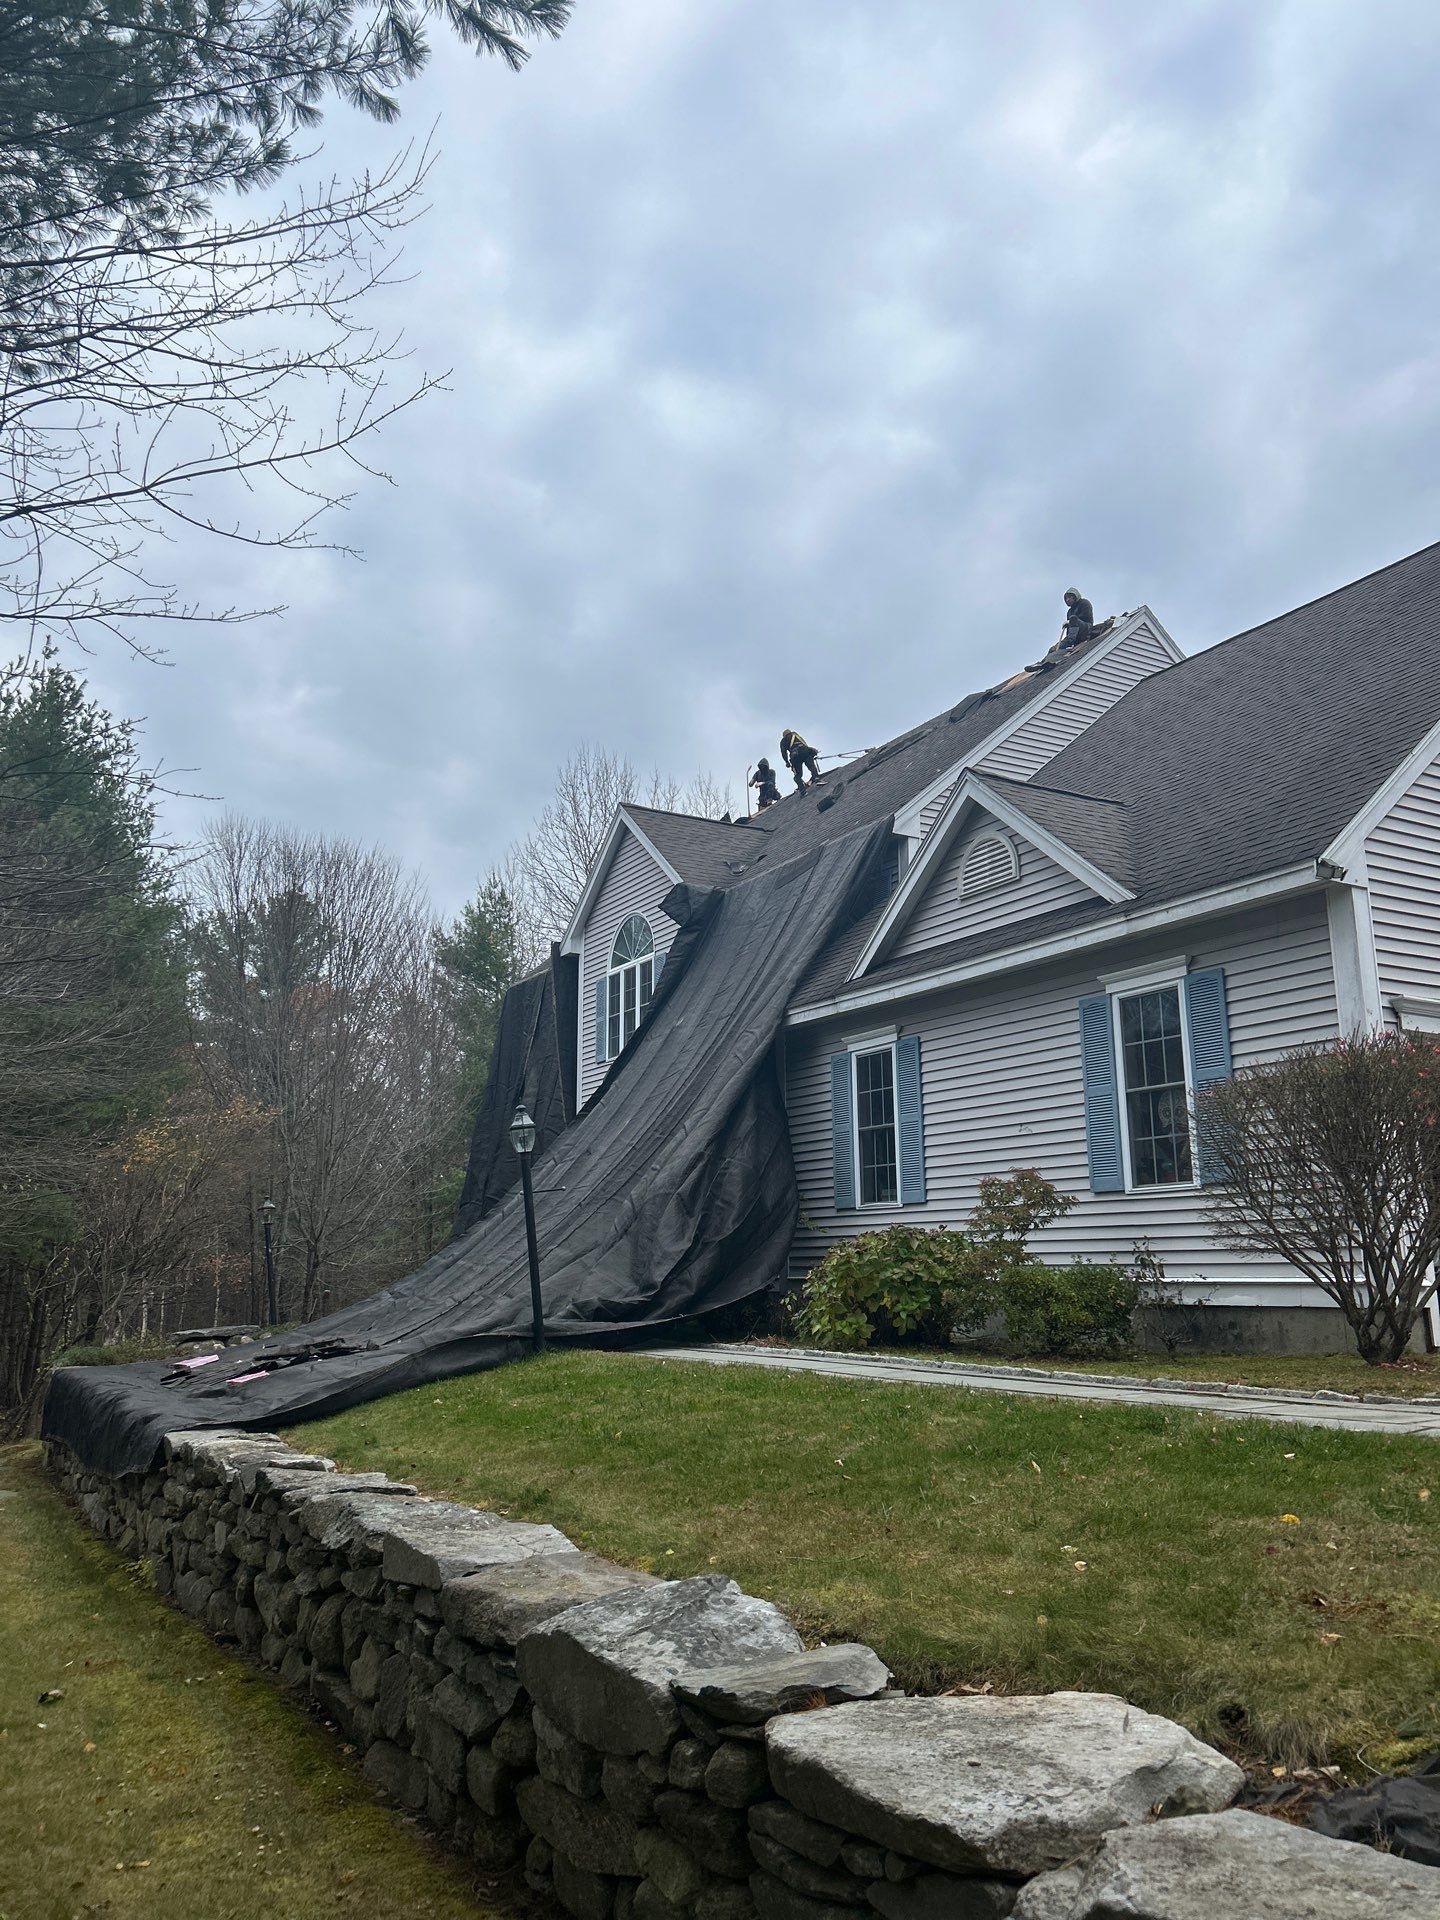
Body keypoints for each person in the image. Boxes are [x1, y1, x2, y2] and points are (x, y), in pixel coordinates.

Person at [1060, 587, 1094, 651]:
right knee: (1058, 647)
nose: (1067, 600)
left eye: (1069, 597)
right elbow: (1070, 629)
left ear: (1075, 596)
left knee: (1073, 618)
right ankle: (1068, 643)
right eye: (1066, 598)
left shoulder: (1084, 603)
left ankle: (1071, 644)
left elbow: (1086, 616)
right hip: (1075, 635)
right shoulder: (1069, 612)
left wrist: (1070, 621)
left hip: (1086, 629)